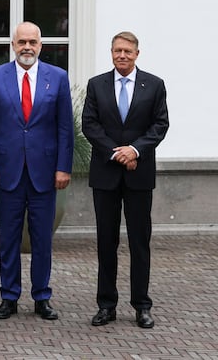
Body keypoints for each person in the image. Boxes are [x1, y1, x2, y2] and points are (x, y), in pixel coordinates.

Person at [0, 21, 73, 321]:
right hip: (6, 172)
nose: (27, 48)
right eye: (22, 42)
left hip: (45, 173)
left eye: (32, 42)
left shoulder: (57, 78)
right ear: (13, 45)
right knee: (8, 238)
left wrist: (63, 167)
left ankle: (42, 296)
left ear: (41, 46)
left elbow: (64, 128)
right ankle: (9, 297)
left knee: (42, 239)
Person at [82, 31, 169, 329]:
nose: (122, 55)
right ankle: (106, 305)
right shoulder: (97, 85)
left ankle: (142, 306)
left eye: (127, 51)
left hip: (138, 174)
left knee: (139, 242)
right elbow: (90, 125)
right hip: (106, 175)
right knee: (106, 242)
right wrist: (116, 153)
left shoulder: (154, 85)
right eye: (117, 50)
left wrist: (135, 150)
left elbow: (160, 124)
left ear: (137, 53)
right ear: (111, 52)